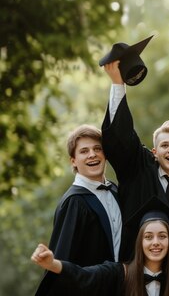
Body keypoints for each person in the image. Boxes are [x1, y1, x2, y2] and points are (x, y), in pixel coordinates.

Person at [101, 60, 169, 271]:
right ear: (154, 152)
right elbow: (121, 136)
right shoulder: (139, 172)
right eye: (164, 145)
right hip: (133, 277)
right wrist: (117, 84)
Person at [35, 125, 122, 296]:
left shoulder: (114, 190)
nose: (92, 154)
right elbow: (61, 262)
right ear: (73, 161)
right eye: (84, 151)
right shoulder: (74, 203)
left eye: (98, 148)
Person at [31, 197, 169, 296]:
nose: (155, 242)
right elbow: (83, 276)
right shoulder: (118, 274)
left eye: (162, 236)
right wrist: (53, 263)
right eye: (148, 237)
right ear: (140, 242)